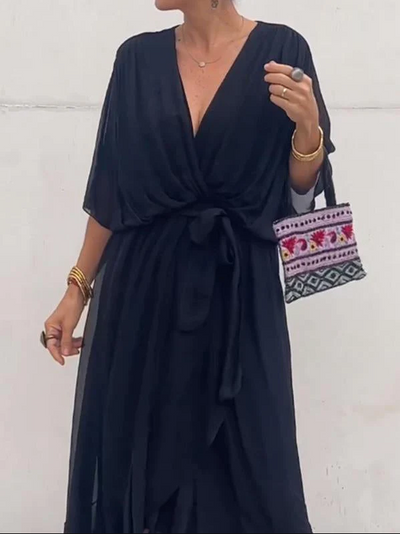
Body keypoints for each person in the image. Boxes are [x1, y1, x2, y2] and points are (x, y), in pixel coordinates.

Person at [42, 0, 335, 532]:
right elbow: (111, 191)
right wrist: (76, 289)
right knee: (140, 468)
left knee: (257, 476)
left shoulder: (282, 49)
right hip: (140, 297)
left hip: (240, 295)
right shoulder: (135, 59)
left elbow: (300, 202)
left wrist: (309, 130)